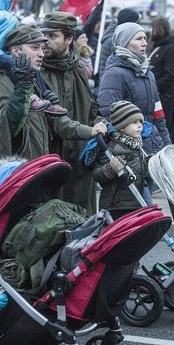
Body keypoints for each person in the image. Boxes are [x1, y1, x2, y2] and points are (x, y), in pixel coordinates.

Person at [0, 24, 107, 203]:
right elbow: (5, 127)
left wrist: (90, 131)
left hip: (32, 174)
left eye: (42, 47)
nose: (41, 53)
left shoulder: (32, 81)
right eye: (34, 48)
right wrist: (22, 91)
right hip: (8, 179)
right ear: (15, 51)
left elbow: (55, 122)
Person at [97, 22, 171, 204]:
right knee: (143, 208)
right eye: (138, 39)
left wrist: (166, 145)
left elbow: (158, 114)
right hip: (129, 155)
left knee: (145, 204)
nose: (145, 43)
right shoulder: (114, 74)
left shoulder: (148, 73)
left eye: (145, 38)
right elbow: (109, 114)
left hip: (151, 149)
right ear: (124, 43)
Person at [40, 12, 106, 214]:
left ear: (69, 39)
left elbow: (90, 106)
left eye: (53, 36)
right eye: (44, 35)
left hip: (80, 159)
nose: (46, 42)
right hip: (51, 157)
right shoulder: (39, 71)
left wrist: (101, 122)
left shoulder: (77, 68)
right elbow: (53, 120)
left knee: (82, 219)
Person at [94, 101, 148, 220]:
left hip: (135, 201)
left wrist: (147, 164)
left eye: (140, 122)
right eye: (134, 122)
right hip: (115, 205)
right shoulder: (111, 148)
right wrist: (110, 168)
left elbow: (138, 171)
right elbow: (97, 175)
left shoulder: (136, 145)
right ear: (122, 127)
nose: (139, 125)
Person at [147, 17, 174, 131]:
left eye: (152, 27)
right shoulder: (155, 47)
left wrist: (153, 86)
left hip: (162, 96)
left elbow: (170, 74)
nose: (150, 31)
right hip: (154, 95)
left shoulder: (169, 48)